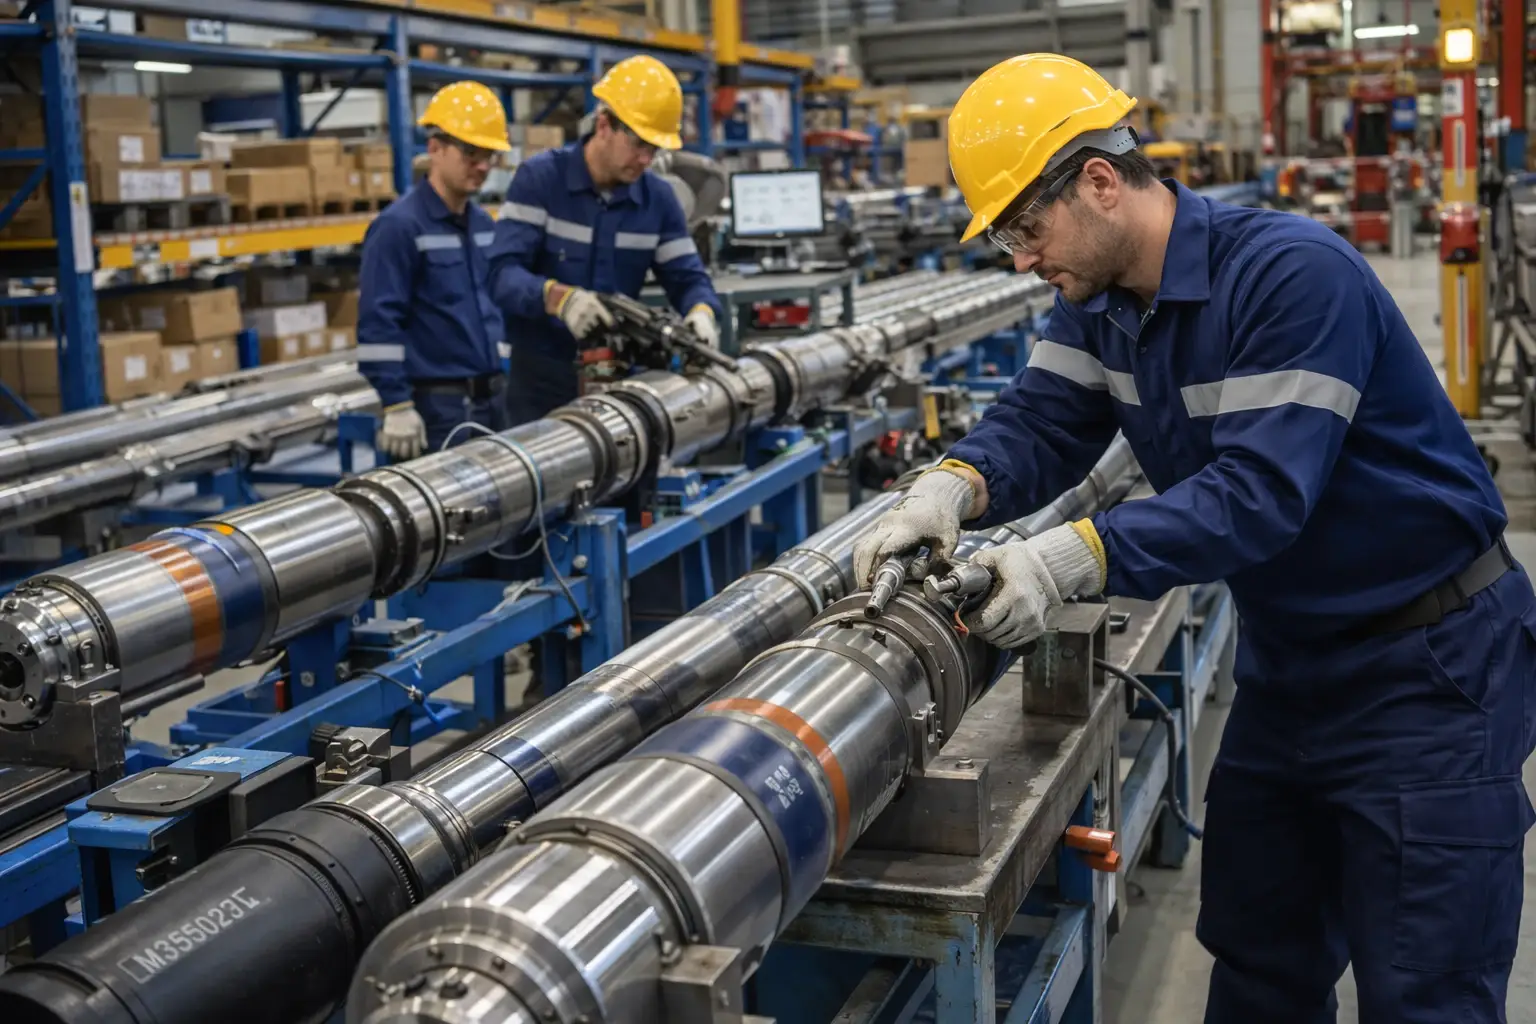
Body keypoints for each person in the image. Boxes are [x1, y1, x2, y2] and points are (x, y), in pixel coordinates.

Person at [853, 53, 1536, 1024]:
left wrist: (1068, 556)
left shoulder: (1292, 277)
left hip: (1426, 670)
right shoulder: (1099, 310)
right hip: (1292, 667)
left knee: (1423, 989)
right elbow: (1041, 422)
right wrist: (947, 489)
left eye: (1022, 226)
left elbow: (1260, 496)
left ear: (1098, 182)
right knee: (1258, 959)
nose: (1019, 258)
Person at [489, 54, 724, 426]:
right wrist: (558, 299)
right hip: (542, 381)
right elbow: (502, 275)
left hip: (620, 377)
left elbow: (688, 278)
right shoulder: (540, 181)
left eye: (655, 149)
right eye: (638, 145)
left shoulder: (658, 200)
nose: (647, 159)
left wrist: (701, 312)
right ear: (603, 125)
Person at [357, 80, 510, 458]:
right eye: (471, 153)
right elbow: (379, 322)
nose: (482, 166)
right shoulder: (399, 227)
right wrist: (396, 405)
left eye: (489, 155)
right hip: (439, 411)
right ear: (436, 149)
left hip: (495, 400)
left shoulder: (484, 226)